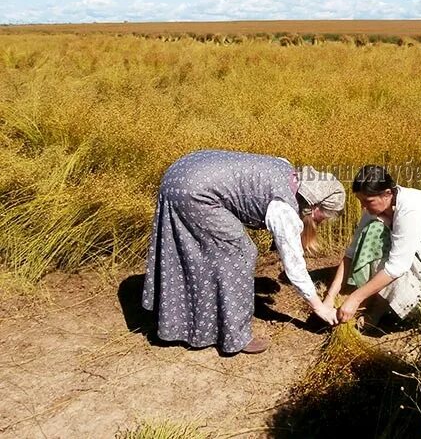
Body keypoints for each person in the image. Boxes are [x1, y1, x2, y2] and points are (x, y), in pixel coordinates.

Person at [142, 150, 345, 355]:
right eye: (324, 217)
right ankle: (235, 337)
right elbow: (294, 267)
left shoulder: (286, 170)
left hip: (182, 171)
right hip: (194, 192)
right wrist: (320, 308)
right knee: (240, 254)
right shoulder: (283, 209)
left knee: (202, 254)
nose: (321, 222)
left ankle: (179, 316)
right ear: (315, 206)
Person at [324, 165, 421, 326]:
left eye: (368, 201)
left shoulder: (409, 209)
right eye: (361, 201)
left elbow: (397, 266)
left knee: (382, 242)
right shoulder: (375, 208)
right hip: (415, 254)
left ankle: (380, 308)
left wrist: (355, 298)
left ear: (387, 194)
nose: (363, 207)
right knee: (371, 231)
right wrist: (330, 297)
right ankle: (374, 300)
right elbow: (351, 253)